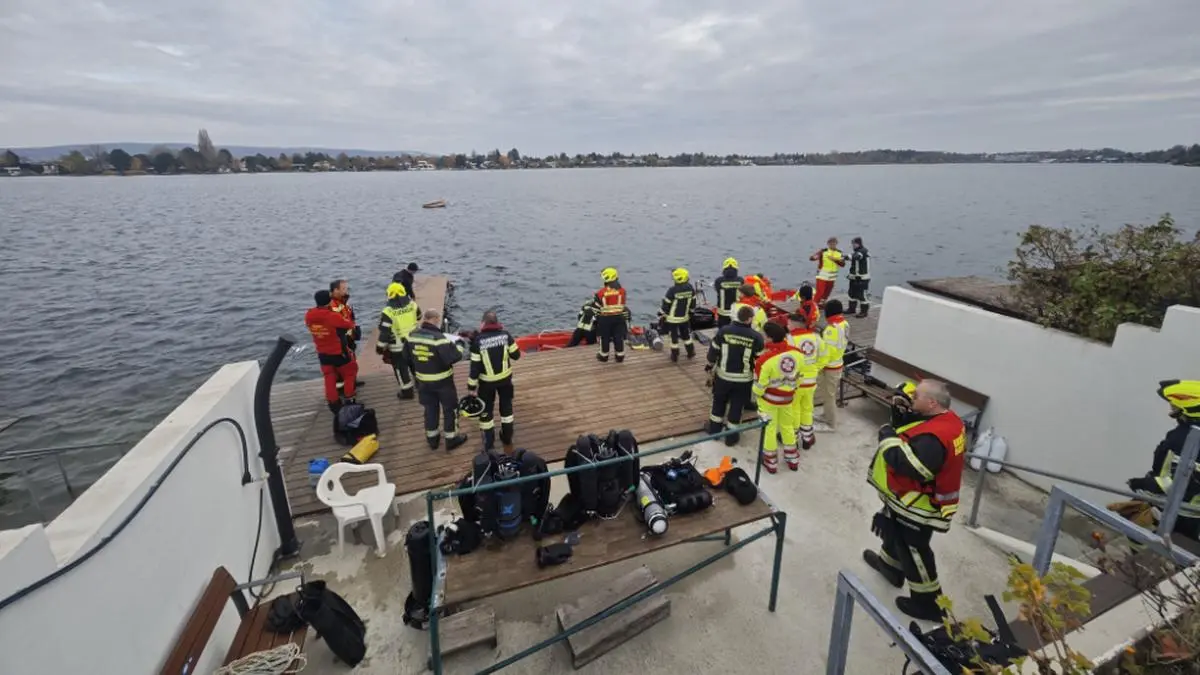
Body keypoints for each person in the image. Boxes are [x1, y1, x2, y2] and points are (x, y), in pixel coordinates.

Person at [863, 380, 966, 621]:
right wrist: (904, 417)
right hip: (907, 500)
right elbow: (919, 433)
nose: (912, 398)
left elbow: (912, 466)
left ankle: (928, 604)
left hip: (918, 506)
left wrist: (888, 437)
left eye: (916, 396)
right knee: (895, 533)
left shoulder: (934, 438)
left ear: (931, 402)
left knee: (914, 551)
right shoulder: (948, 420)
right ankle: (890, 568)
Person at [1126, 379, 1200, 541]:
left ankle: (1132, 551)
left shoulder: (1185, 439)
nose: (1171, 409)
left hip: (1183, 512)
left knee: (1131, 529)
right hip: (1184, 507)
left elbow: (1180, 484)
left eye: (1174, 406)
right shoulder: (1187, 433)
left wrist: (1142, 484)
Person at [405, 309, 468, 450]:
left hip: (423, 381)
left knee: (430, 409)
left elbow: (407, 358)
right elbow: (453, 357)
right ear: (434, 319)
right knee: (450, 409)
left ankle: (432, 439)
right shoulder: (439, 338)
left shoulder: (411, 336)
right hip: (443, 382)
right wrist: (459, 344)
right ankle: (451, 439)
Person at [705, 305, 765, 446]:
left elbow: (713, 352)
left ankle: (714, 431)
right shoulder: (756, 337)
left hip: (723, 377)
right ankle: (731, 437)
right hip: (743, 380)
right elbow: (760, 361)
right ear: (750, 319)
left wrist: (709, 366)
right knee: (737, 406)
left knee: (718, 403)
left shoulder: (724, 331)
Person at [467, 311, 522, 451]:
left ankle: (489, 443)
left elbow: (474, 368)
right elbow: (516, 355)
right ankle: (507, 437)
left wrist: (471, 387)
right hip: (505, 380)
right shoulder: (506, 335)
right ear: (497, 322)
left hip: (486, 384)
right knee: (506, 408)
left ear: (483, 323)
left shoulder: (478, 341)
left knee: (486, 412)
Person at [753, 322, 802, 473]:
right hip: (788, 398)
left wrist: (756, 394)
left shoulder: (764, 360)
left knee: (770, 429)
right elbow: (799, 377)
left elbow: (760, 386)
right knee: (787, 427)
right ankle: (793, 459)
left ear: (770, 338)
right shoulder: (797, 354)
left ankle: (771, 462)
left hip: (769, 400)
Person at [305, 290, 358, 413]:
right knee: (350, 372)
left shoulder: (309, 315)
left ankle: (333, 403)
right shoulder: (331, 316)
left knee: (329, 377)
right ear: (329, 301)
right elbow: (348, 325)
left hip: (322, 353)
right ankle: (349, 399)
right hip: (338, 352)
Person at [787, 312, 827, 450]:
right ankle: (807, 437)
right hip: (811, 381)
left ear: (793, 325)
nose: (787, 326)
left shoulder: (790, 339)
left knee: (794, 409)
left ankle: (793, 437)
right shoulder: (816, 338)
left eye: (788, 323)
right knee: (807, 408)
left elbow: (787, 362)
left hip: (796, 381)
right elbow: (824, 357)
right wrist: (815, 369)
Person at [376, 282, 421, 400]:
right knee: (416, 364)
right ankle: (421, 384)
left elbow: (385, 333)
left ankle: (407, 392)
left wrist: (380, 347)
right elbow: (419, 317)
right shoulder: (412, 305)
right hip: (414, 342)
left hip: (398, 347)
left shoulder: (388, 311)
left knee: (401, 369)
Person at [817, 299, 849, 430]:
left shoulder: (831, 330)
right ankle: (826, 415)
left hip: (830, 367)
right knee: (828, 393)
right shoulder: (845, 324)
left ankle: (831, 423)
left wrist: (818, 367)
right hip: (838, 362)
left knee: (829, 395)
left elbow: (827, 353)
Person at [329, 279, 363, 392]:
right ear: (335, 290)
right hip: (340, 339)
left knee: (351, 360)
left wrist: (354, 330)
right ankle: (342, 389)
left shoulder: (344, 302)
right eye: (343, 289)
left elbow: (349, 317)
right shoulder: (332, 305)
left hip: (348, 336)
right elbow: (336, 323)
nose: (346, 291)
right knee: (342, 365)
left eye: (346, 288)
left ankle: (352, 382)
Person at [659, 267, 697, 362]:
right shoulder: (691, 288)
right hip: (684, 317)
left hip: (672, 319)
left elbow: (666, 305)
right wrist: (691, 313)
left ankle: (675, 355)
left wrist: (662, 314)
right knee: (686, 335)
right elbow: (693, 303)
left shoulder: (672, 290)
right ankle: (690, 352)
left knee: (674, 337)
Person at [591, 267, 627, 363]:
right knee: (618, 337)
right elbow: (623, 304)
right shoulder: (622, 291)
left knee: (605, 337)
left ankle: (604, 356)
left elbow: (595, 308)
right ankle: (620, 356)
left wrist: (597, 318)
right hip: (619, 317)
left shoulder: (600, 293)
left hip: (605, 318)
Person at [809, 238, 845, 305]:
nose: (832, 245)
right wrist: (814, 257)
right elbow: (811, 258)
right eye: (830, 243)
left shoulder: (840, 253)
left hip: (832, 276)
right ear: (828, 244)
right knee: (820, 291)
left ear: (836, 244)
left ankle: (822, 303)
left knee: (827, 292)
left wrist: (835, 259)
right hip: (822, 275)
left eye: (834, 243)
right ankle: (813, 305)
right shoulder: (823, 251)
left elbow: (843, 264)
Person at [713, 257, 744, 328]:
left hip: (723, 312)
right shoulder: (740, 280)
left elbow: (717, 289)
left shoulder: (719, 280)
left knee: (722, 329)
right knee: (736, 328)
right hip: (736, 310)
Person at [847, 237, 871, 318]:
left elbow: (856, 256)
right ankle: (851, 309)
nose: (853, 245)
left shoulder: (863, 251)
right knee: (851, 294)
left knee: (862, 295)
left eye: (854, 243)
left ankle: (864, 312)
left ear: (859, 243)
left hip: (862, 279)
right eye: (853, 244)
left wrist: (844, 257)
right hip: (854, 278)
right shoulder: (857, 251)